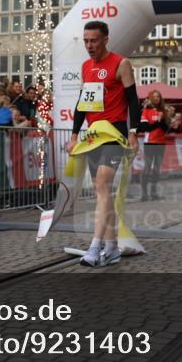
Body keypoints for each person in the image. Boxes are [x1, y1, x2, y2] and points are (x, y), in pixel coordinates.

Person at [64, 20, 140, 267]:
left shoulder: (121, 64)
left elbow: (133, 101)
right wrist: (75, 135)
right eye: (86, 41)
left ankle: (95, 247)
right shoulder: (86, 67)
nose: (89, 45)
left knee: (103, 185)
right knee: (101, 190)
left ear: (106, 39)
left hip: (114, 133)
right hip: (94, 134)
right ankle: (112, 247)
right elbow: (82, 104)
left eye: (94, 40)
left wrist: (133, 132)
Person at [138, 89, 170, 201]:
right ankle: (144, 193)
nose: (157, 98)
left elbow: (166, 129)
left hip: (161, 143)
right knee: (147, 168)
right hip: (150, 143)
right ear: (151, 98)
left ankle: (153, 192)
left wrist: (163, 119)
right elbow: (145, 128)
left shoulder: (163, 111)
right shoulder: (146, 110)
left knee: (156, 169)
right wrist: (158, 121)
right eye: (155, 96)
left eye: (158, 96)